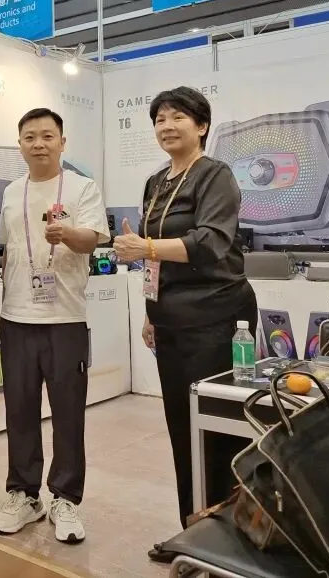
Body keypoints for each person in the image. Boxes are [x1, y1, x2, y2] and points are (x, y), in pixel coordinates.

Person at [112, 86, 257, 563]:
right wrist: (150, 311)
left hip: (217, 317)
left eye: (178, 117)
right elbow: (151, 256)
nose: (167, 126)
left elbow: (211, 242)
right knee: (182, 426)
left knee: (219, 430)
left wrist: (147, 248)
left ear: (202, 125)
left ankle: (231, 539)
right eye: (160, 119)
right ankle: (193, 531)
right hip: (170, 319)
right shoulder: (156, 182)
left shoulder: (216, 175)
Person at [0, 108, 108, 544]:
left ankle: (65, 498)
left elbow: (92, 240)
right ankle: (25, 494)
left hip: (65, 318)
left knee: (68, 413)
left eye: (46, 136)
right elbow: (9, 248)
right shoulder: (10, 191)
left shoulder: (82, 187)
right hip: (16, 317)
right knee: (19, 411)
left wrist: (67, 234)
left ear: (62, 142)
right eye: (29, 137)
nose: (38, 144)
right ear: (19, 144)